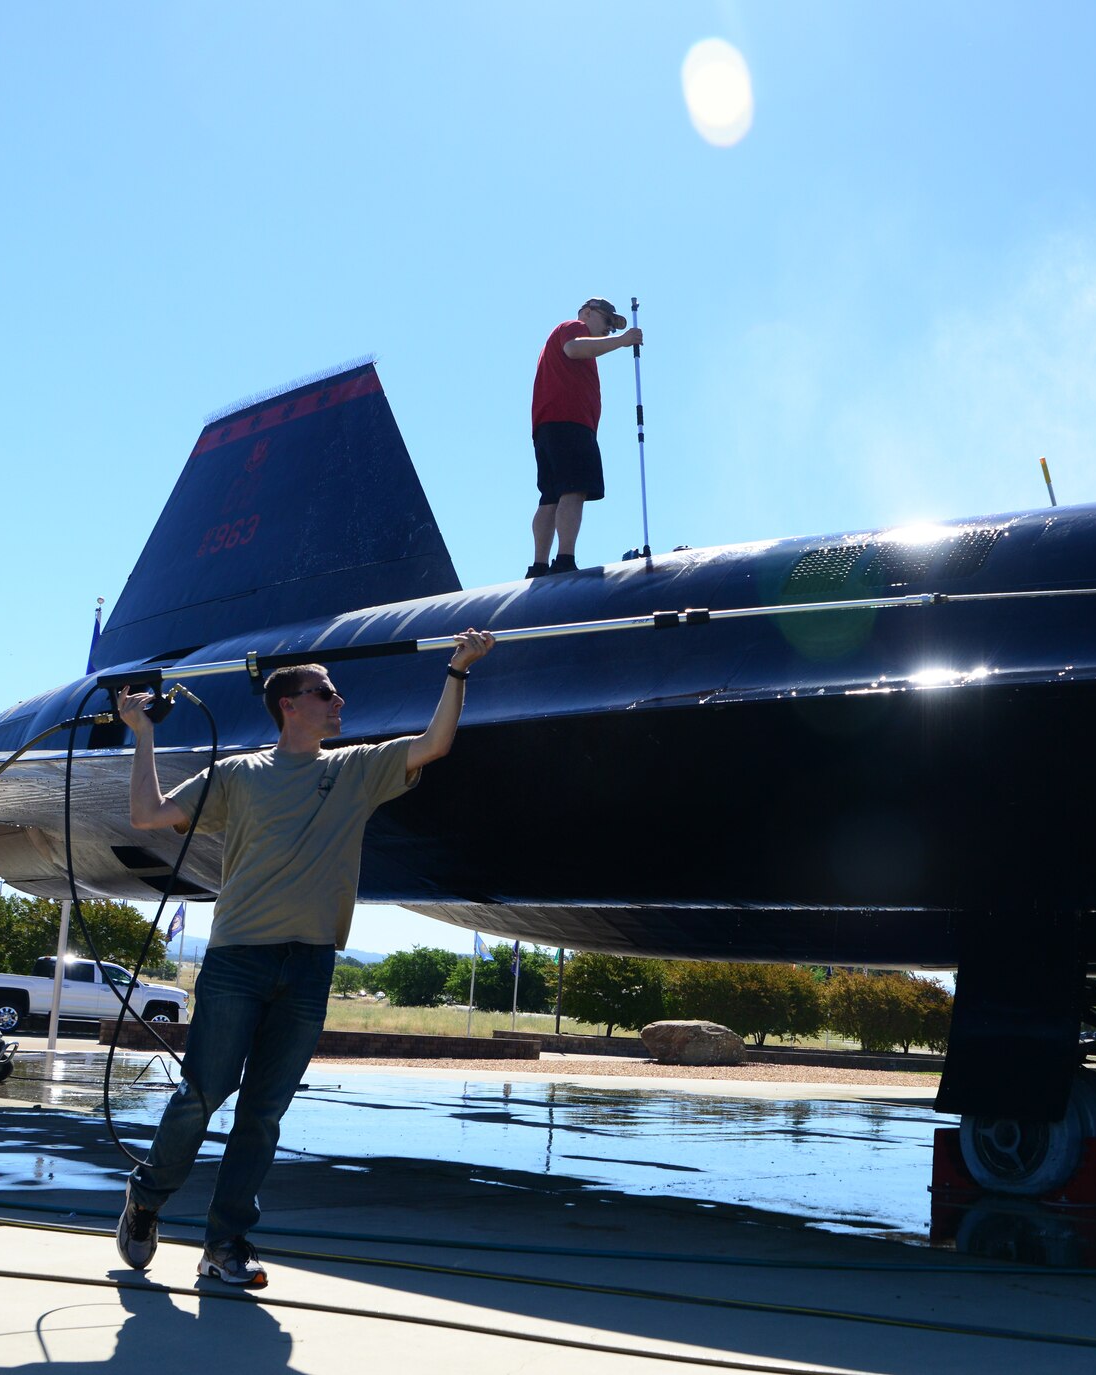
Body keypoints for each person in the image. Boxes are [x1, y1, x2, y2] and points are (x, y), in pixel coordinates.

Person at [112, 629, 495, 1287]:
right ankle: (146, 1199)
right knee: (201, 1096)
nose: (338, 699)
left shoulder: (354, 769)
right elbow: (148, 814)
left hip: (312, 965)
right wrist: (141, 730)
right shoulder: (237, 774)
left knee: (263, 1113)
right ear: (290, 704)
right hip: (237, 960)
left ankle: (225, 1242)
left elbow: (434, 744)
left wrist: (458, 670)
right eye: (325, 691)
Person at [527, 296, 642, 577]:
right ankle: (564, 559)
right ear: (589, 313)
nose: (609, 330)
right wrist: (622, 341)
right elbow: (573, 348)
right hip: (570, 423)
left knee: (550, 496)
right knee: (573, 489)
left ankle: (539, 566)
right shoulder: (573, 327)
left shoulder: (575, 342)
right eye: (607, 321)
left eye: (613, 328)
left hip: (550, 426)